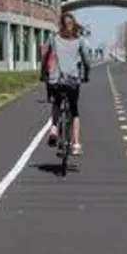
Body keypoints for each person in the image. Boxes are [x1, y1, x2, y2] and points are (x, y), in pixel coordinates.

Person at [44, 12, 90, 154]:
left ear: (61, 24)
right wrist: (86, 75)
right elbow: (86, 61)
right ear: (74, 25)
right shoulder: (80, 40)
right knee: (74, 110)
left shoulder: (53, 37)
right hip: (72, 81)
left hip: (56, 79)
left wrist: (44, 73)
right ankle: (76, 144)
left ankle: (53, 129)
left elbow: (45, 56)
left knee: (56, 103)